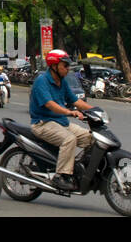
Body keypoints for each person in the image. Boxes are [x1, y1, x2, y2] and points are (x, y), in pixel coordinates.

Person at [28, 49, 94, 192]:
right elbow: (50, 104)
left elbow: (76, 101)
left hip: (60, 123)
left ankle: (79, 170)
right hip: (43, 123)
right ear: (54, 66)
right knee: (69, 139)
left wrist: (95, 110)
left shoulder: (62, 82)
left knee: (91, 138)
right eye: (65, 66)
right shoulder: (42, 81)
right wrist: (69, 112)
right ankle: (61, 176)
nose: (68, 69)